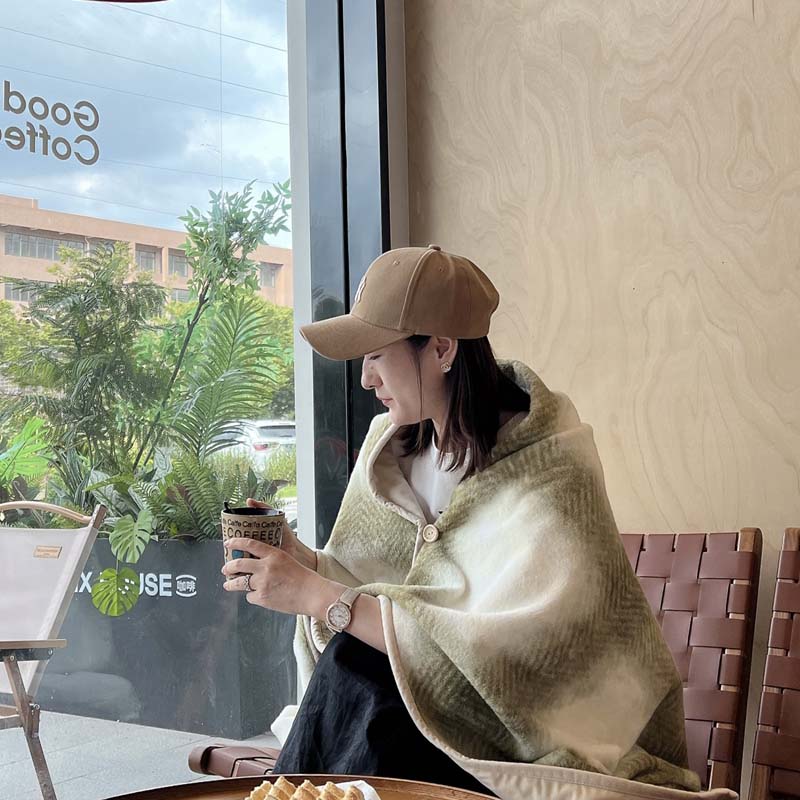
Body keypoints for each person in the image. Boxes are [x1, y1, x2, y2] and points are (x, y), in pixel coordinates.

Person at [221, 245, 701, 798]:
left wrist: (317, 595)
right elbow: (373, 595)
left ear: (442, 348)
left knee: (366, 671)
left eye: (376, 356)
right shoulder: (389, 449)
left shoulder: (550, 469)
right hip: (412, 736)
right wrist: (301, 562)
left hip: (521, 750)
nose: (366, 379)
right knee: (363, 669)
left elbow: (521, 662)